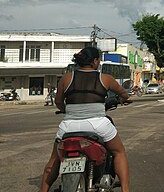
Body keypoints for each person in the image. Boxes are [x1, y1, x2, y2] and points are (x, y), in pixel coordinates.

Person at [41, 47, 131, 192]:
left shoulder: (67, 78)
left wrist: (67, 110)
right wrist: (124, 99)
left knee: (54, 160)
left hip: (68, 127)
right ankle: (125, 189)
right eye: (98, 60)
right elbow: (124, 94)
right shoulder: (105, 78)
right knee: (119, 152)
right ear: (95, 61)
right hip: (98, 125)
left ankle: (43, 190)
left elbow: (58, 102)